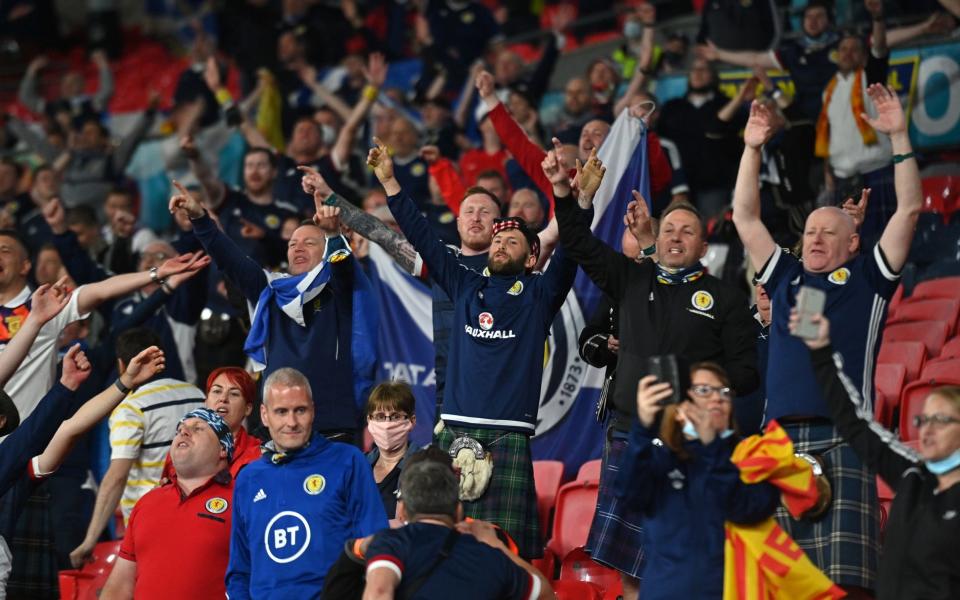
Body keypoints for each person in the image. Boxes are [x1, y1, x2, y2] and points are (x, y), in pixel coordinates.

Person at [730, 86, 921, 593]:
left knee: (846, 586)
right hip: (777, 446)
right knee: (772, 585)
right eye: (810, 231)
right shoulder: (785, 277)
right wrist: (752, 149)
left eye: (827, 233)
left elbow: (908, 212)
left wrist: (899, 136)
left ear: (853, 242)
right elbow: (745, 218)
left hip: (844, 438)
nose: (814, 239)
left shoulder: (870, 280)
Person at [554, 149, 758, 599]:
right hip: (632, 433)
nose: (676, 237)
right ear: (656, 238)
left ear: (704, 247)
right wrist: (573, 195)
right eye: (668, 230)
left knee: (687, 555)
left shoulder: (724, 298)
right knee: (629, 570)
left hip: (694, 443)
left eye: (688, 231)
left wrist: (703, 391)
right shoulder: (629, 278)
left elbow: (747, 372)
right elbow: (573, 237)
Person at [367, 137, 579, 559]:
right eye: (497, 242)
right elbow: (423, 236)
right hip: (457, 429)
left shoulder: (540, 295)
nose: (500, 245)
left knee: (507, 554)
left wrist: (565, 194)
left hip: (508, 435)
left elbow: (572, 244)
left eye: (512, 242)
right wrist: (391, 183)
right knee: (445, 545)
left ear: (532, 258)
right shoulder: (464, 281)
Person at [169, 182, 371, 442]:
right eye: (292, 244)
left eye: (309, 242)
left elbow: (343, 268)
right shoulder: (270, 289)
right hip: (275, 430)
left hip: (331, 428)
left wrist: (334, 237)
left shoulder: (339, 290)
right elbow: (232, 260)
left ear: (326, 252)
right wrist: (200, 218)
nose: (297, 248)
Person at [797, 313, 960, 600]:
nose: (927, 430)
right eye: (923, 420)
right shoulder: (913, 475)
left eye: (941, 420)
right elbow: (855, 423)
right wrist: (821, 351)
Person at [0, 229, 209, 427]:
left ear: (25, 266)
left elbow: (100, 290)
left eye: (5, 250)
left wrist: (156, 274)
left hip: (23, 439)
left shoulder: (43, 306)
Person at [616, 363, 779, 598]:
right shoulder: (662, 457)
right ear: (681, 406)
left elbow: (748, 509)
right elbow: (628, 495)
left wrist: (713, 447)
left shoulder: (754, 456)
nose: (717, 399)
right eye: (704, 390)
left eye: (724, 392)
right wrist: (643, 428)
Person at [226, 368, 387, 598]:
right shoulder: (248, 478)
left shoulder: (348, 461)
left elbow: (376, 543)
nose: (291, 422)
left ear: (313, 410)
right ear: (264, 414)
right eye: (281, 412)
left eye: (299, 410)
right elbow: (240, 572)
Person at [70, 328, 205, 567]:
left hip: (152, 524)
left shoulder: (131, 408)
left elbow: (116, 478)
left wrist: (89, 540)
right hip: (200, 517)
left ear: (122, 365)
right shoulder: (197, 395)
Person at [362, 456, 553, 600]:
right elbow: (546, 594)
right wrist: (496, 545)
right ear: (458, 510)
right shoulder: (493, 553)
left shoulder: (390, 542)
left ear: (402, 509)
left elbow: (378, 593)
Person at [100, 408, 237, 600]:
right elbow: (120, 586)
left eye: (198, 428)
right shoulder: (147, 503)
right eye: (180, 429)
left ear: (223, 449)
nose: (184, 432)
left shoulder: (241, 501)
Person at [160, 367, 264, 481]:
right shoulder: (183, 445)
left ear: (248, 409)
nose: (223, 399)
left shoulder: (259, 455)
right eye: (217, 391)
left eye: (234, 394)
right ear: (206, 402)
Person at [365, 382, 418, 519]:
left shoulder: (424, 468)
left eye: (395, 416)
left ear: (411, 421)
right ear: (369, 420)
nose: (387, 425)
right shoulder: (359, 465)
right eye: (380, 416)